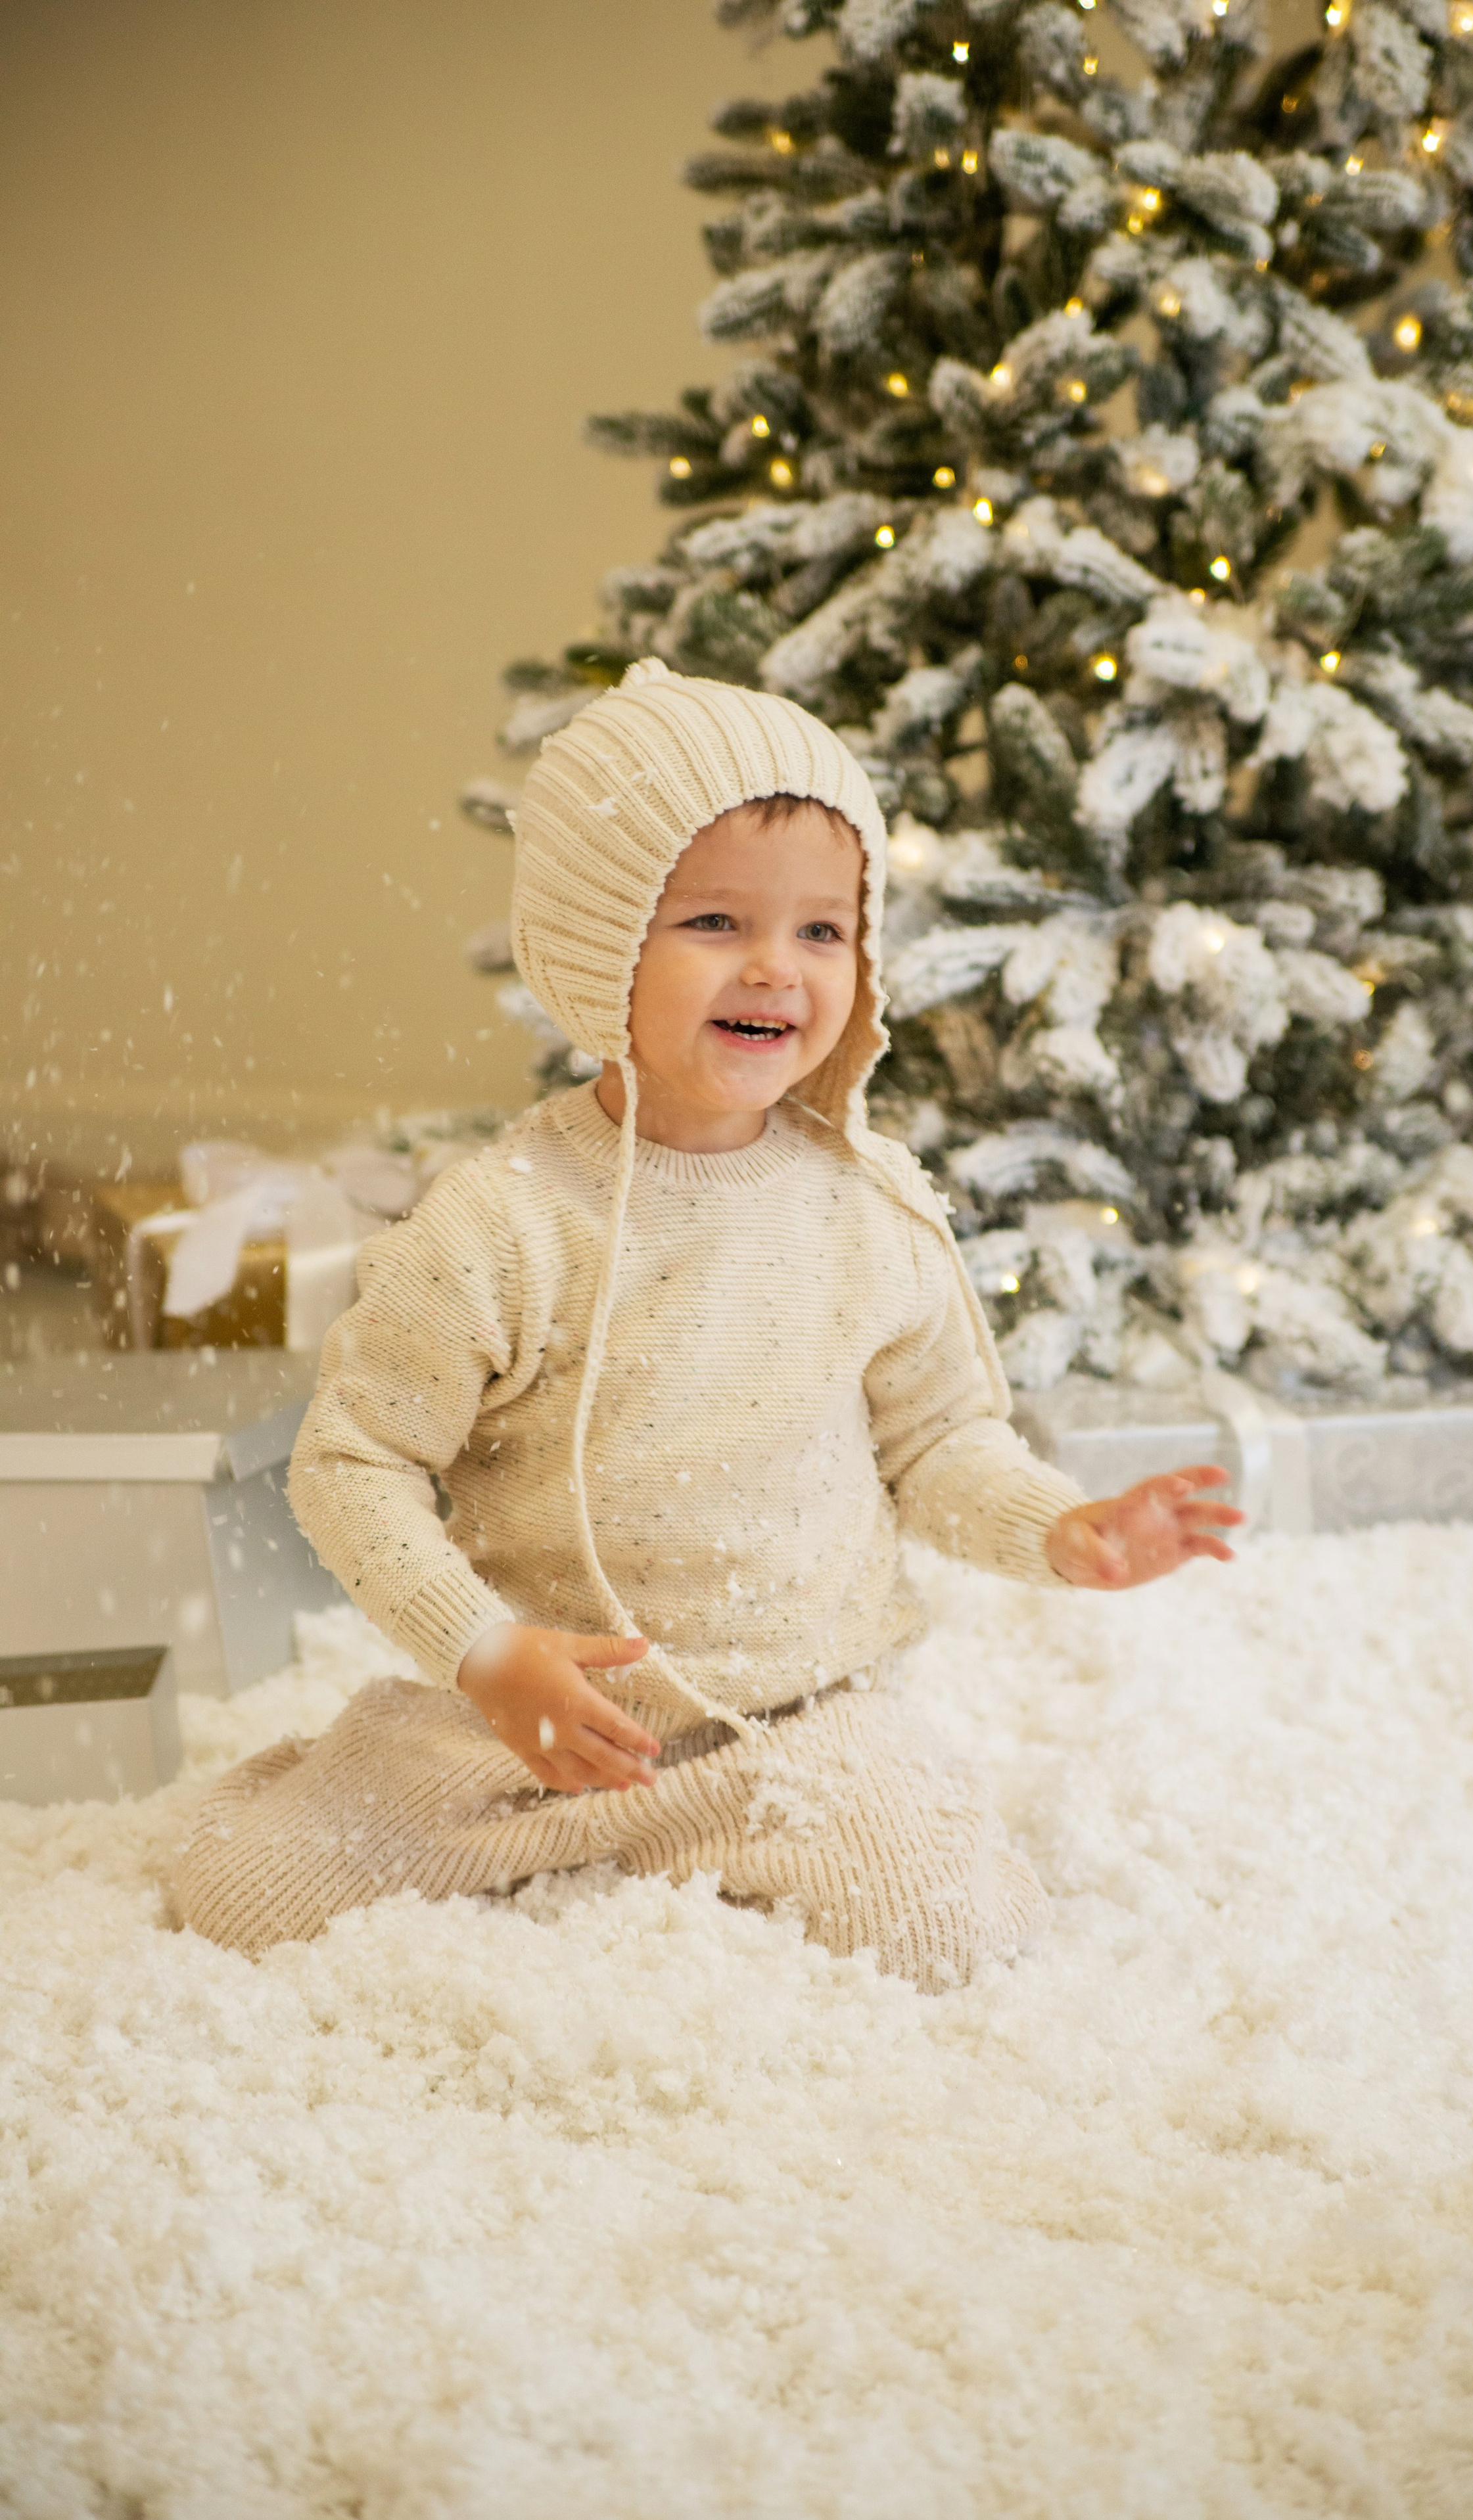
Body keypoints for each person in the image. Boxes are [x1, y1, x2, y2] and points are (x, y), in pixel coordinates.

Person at [175, 662, 1239, 1990]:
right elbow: (353, 1462)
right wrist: (481, 1649)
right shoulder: (501, 1222)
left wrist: (1056, 1528)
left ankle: (689, 1860)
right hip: (531, 1717)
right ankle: (548, 1832)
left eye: (820, 933)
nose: (771, 969)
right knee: (238, 1891)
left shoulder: (869, 1205)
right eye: (714, 920)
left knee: (947, 1924)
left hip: (790, 1720)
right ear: (596, 941)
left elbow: (938, 1443)